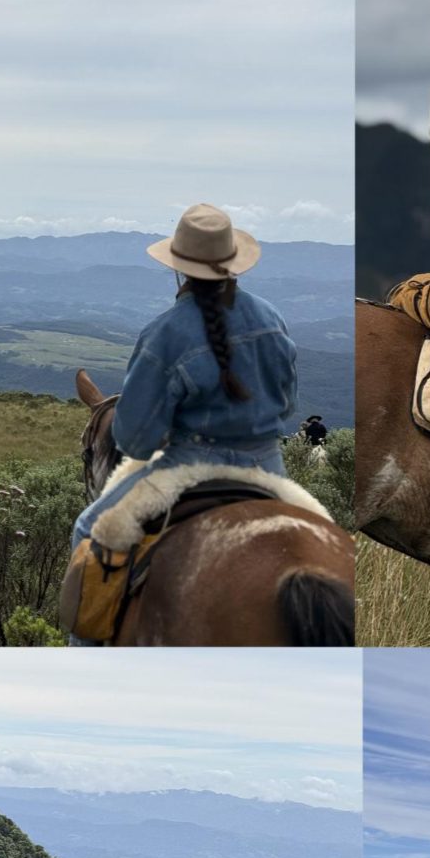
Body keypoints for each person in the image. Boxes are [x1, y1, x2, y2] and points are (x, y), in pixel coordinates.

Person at [65, 203, 305, 645]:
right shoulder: (272, 319)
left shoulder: (165, 332)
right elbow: (286, 403)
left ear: (179, 271)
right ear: (235, 265)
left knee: (87, 529)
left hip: (187, 470)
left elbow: (135, 441)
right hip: (270, 469)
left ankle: (84, 652)